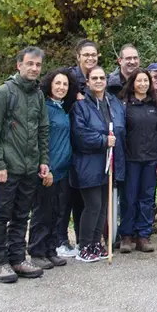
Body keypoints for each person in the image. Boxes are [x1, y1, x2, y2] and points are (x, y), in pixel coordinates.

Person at [0, 47, 50, 283]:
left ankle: (17, 259)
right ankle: (0, 262)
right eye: (30, 63)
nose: (34, 68)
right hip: (6, 168)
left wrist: (43, 161)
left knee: (22, 215)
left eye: (38, 65)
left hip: (29, 167)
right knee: (1, 215)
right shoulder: (4, 93)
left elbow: (43, 130)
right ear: (19, 65)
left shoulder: (38, 95)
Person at [70, 66, 126, 262]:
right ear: (87, 82)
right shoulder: (81, 105)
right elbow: (80, 134)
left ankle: (96, 243)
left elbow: (120, 127)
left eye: (102, 77)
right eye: (94, 78)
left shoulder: (113, 102)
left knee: (103, 206)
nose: (99, 81)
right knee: (92, 205)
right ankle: (84, 245)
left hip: (108, 162)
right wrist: (103, 141)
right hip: (88, 163)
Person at [27, 68, 78, 270]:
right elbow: (39, 140)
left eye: (65, 84)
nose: (61, 87)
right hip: (48, 169)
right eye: (58, 83)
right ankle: (37, 251)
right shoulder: (45, 108)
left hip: (63, 170)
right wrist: (44, 167)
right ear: (50, 85)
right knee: (42, 212)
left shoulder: (63, 109)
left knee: (57, 212)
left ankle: (50, 249)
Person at [118, 70, 157, 253]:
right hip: (131, 160)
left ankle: (143, 236)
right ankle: (126, 236)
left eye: (145, 81)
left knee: (147, 199)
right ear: (132, 83)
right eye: (139, 81)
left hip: (151, 160)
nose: (143, 84)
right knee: (129, 199)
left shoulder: (156, 104)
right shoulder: (124, 105)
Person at [60, 39, 98, 256]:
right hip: (68, 144)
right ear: (78, 56)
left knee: (83, 197)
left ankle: (81, 239)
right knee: (66, 197)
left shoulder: (98, 78)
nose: (90, 58)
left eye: (94, 54)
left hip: (87, 147)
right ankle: (61, 239)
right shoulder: (69, 79)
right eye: (86, 55)